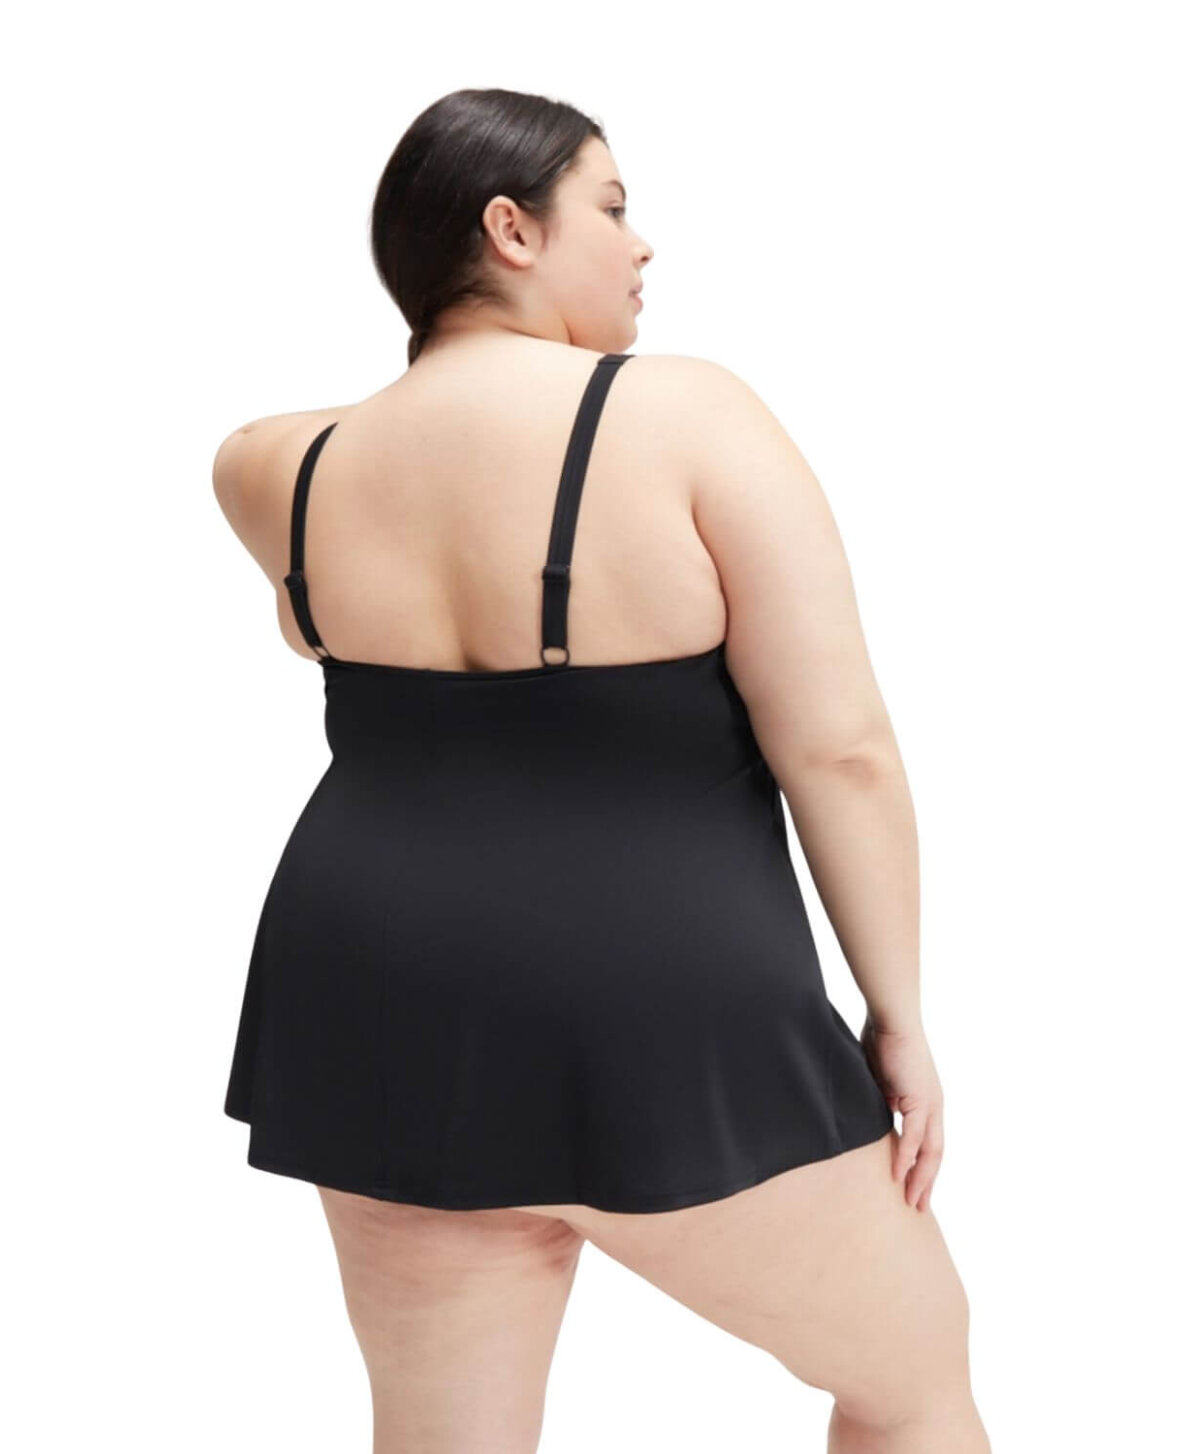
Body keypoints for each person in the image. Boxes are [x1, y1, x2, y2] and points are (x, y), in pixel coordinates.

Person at [213, 88, 991, 1454]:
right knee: (915, 1383)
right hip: (661, 1000)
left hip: (373, 1000)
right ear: (510, 230)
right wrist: (900, 1014)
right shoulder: (687, 415)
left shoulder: (274, 464)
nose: (643, 245)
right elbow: (840, 749)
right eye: (614, 207)